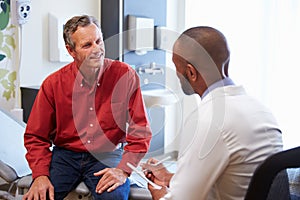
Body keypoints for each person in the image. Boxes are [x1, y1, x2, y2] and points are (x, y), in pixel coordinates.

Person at [141, 26, 283, 200]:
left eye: (176, 67)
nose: (176, 74)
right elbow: (237, 179)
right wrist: (171, 178)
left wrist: (159, 194)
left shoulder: (209, 119)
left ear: (191, 72)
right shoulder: (260, 110)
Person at [23, 15, 152, 200]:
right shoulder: (53, 84)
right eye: (87, 45)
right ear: (71, 50)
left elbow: (140, 131)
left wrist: (123, 170)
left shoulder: (125, 76)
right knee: (40, 197)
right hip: (65, 156)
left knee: (114, 197)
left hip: (107, 154)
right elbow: (35, 136)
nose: (97, 49)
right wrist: (40, 175)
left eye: (98, 41)